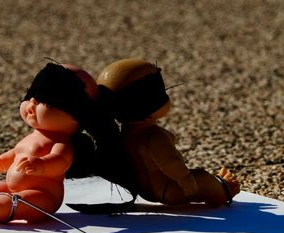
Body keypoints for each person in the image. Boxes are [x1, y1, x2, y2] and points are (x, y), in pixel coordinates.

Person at [0, 63, 98, 223]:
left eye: (45, 101)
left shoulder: (61, 144)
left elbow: (61, 161)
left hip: (44, 195)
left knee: (22, 201)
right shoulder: (31, 137)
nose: (31, 104)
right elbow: (14, 154)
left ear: (76, 117)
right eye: (30, 97)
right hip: (13, 187)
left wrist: (42, 165)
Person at [97, 58, 240, 206]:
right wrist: (185, 178)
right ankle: (224, 189)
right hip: (168, 189)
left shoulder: (126, 133)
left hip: (145, 191)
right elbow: (169, 161)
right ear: (151, 102)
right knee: (203, 179)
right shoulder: (153, 135)